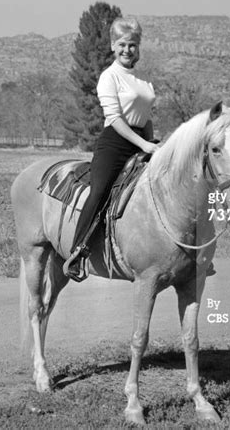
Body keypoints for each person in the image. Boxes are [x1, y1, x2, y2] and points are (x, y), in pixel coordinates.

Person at [63, 17, 159, 280]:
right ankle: (78, 252)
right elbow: (115, 119)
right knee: (100, 192)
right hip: (115, 143)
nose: (128, 50)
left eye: (133, 45)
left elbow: (146, 116)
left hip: (143, 140)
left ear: (139, 48)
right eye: (122, 44)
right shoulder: (109, 77)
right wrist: (143, 145)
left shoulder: (142, 80)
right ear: (113, 46)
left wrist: (151, 144)